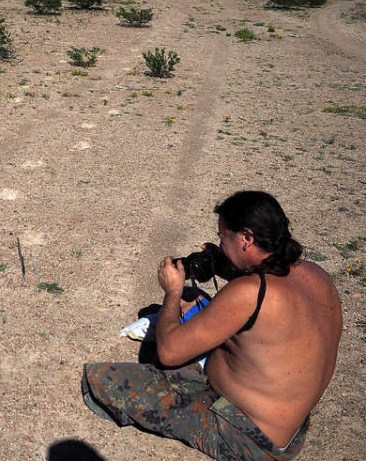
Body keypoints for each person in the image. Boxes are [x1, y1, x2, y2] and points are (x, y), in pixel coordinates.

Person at [82, 191, 342, 461]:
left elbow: (170, 352)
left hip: (248, 438)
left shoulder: (250, 292)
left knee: (104, 381)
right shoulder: (315, 273)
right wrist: (223, 266)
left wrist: (173, 290)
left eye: (223, 237)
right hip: (290, 429)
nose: (221, 243)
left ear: (246, 238)